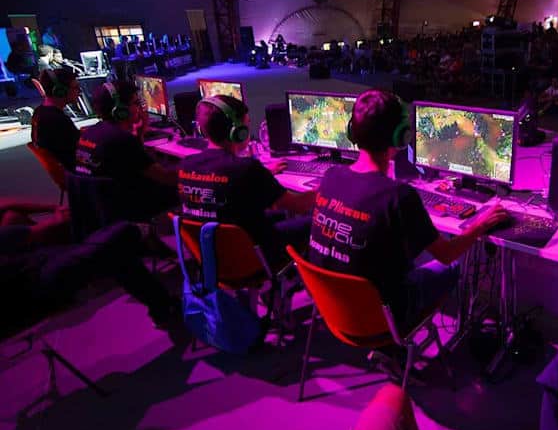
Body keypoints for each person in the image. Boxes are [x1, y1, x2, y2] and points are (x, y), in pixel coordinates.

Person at [307, 89, 508, 327]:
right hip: (382, 319)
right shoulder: (398, 196)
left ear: (352, 131)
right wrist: (479, 225)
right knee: (452, 268)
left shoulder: (330, 176)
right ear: (400, 137)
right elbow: (447, 254)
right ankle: (454, 332)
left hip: (335, 311)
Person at [0, 199, 175, 337]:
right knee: (118, 236)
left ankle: (163, 308)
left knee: (115, 254)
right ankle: (139, 232)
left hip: (32, 261)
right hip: (32, 289)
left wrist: (53, 209)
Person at [177, 95, 315, 268]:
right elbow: (299, 205)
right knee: (316, 221)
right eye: (247, 124)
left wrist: (265, 174)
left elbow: (229, 184)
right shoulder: (247, 169)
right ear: (237, 131)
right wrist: (326, 187)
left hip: (212, 258)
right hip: (253, 257)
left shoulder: (186, 165)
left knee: (278, 215)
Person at [76, 81, 178, 220]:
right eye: (135, 103)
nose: (139, 108)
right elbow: (165, 177)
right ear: (120, 110)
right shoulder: (121, 140)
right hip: (128, 207)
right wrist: (192, 167)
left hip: (100, 207)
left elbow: (134, 163)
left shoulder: (89, 133)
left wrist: (140, 133)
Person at [31, 69, 81, 170]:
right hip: (77, 170)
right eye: (76, 87)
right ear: (60, 91)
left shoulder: (40, 112)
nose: (80, 91)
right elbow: (83, 150)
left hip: (63, 167)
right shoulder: (58, 120)